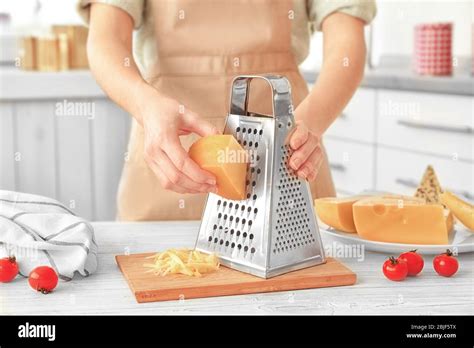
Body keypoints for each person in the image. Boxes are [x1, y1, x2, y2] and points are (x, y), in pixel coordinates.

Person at [78, 0, 376, 220]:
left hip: (286, 140)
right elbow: (106, 40)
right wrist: (145, 105)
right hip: (171, 145)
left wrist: (311, 121)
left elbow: (346, 44)